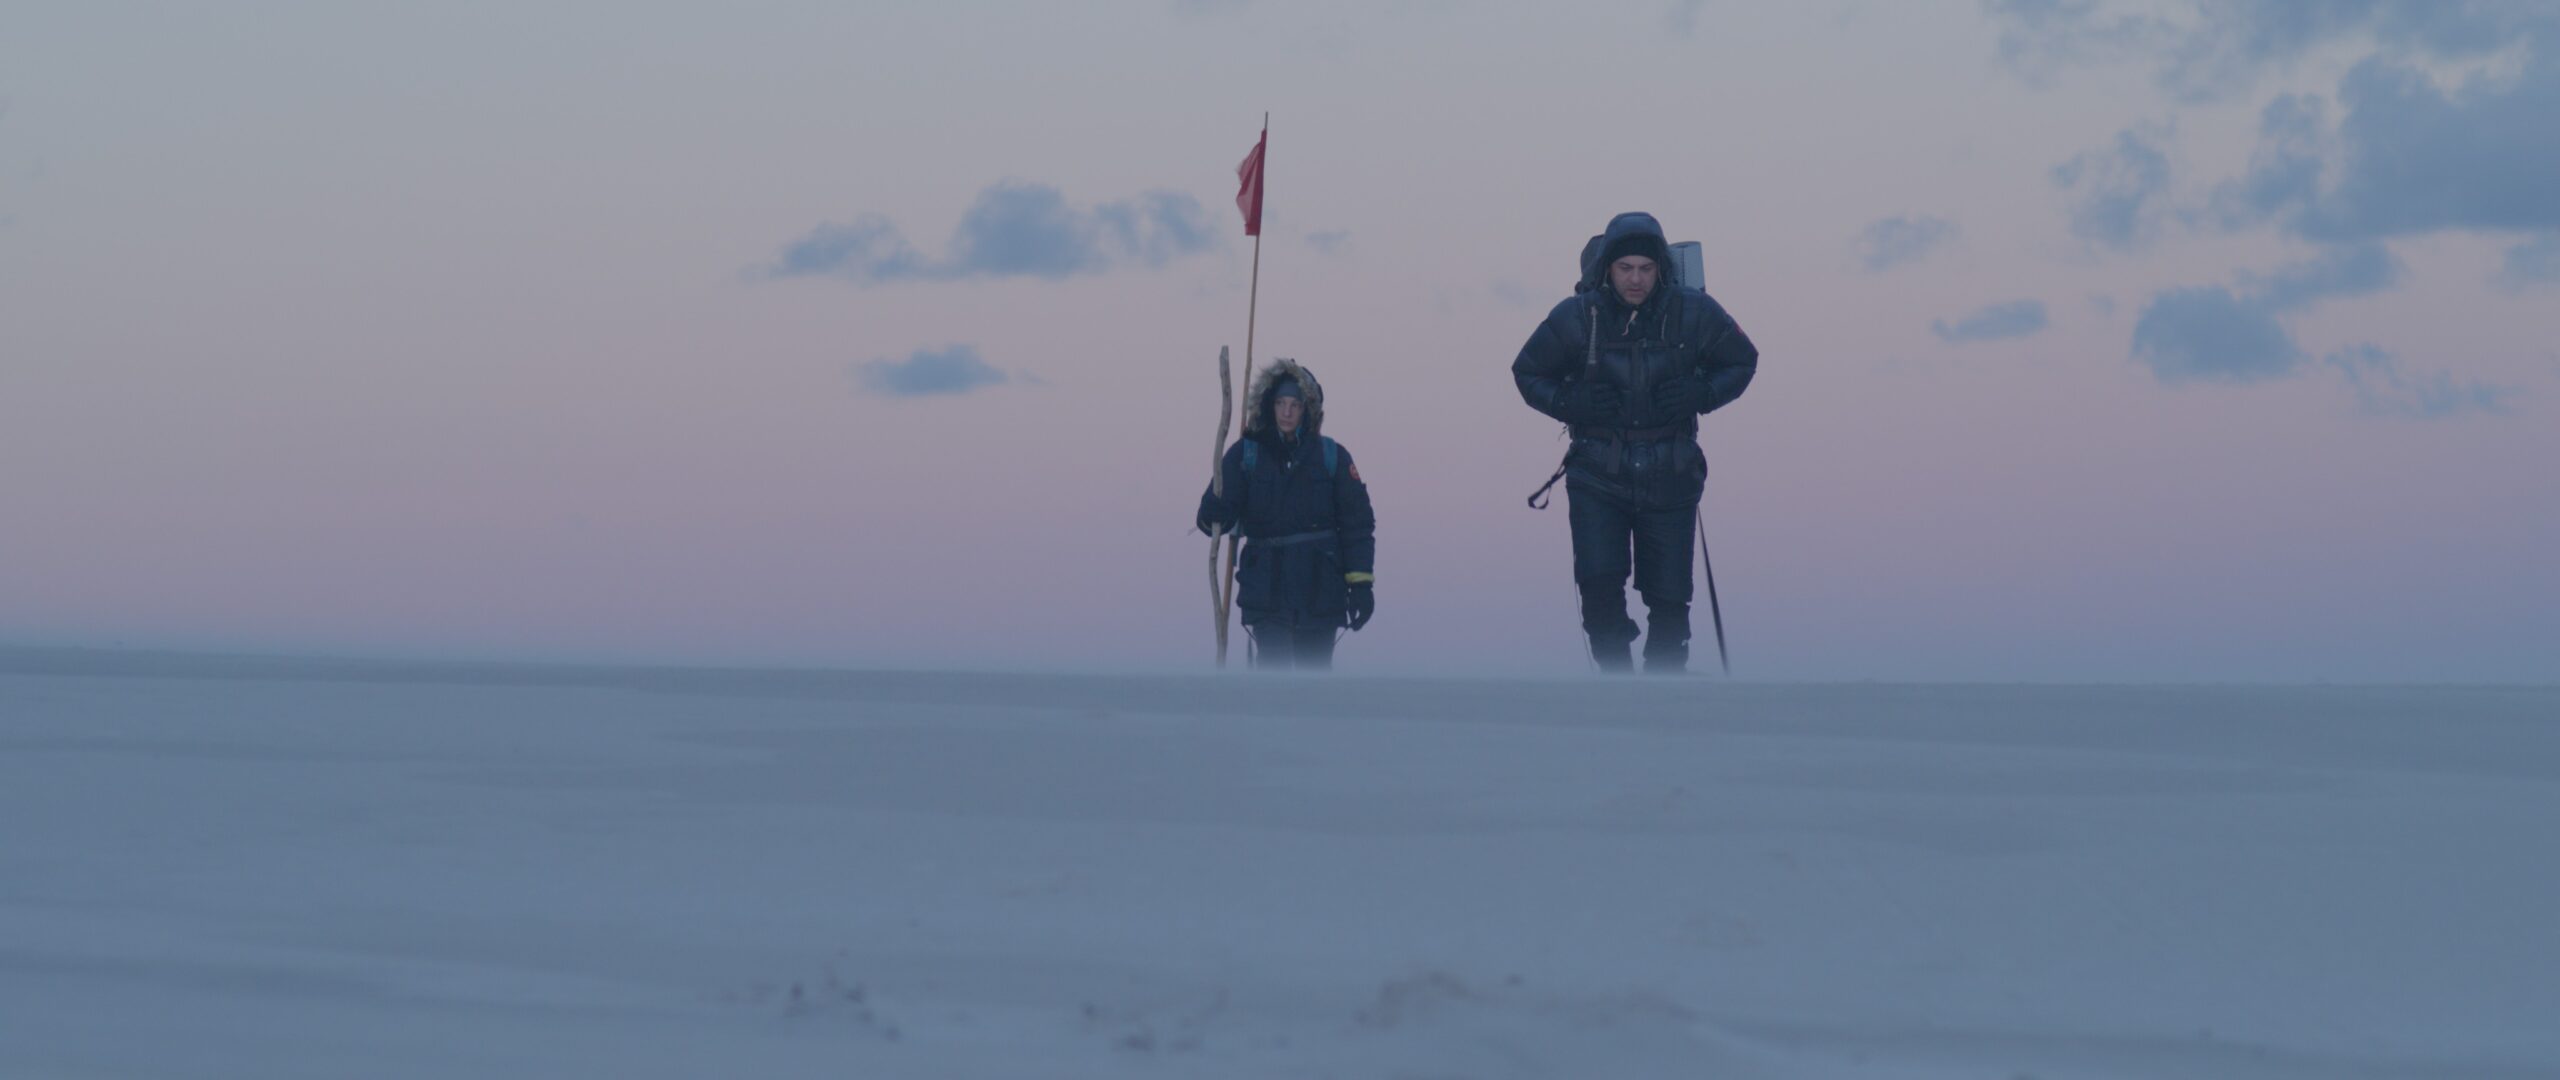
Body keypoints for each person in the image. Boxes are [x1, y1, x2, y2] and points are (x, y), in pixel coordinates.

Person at [1513, 212, 1757, 673]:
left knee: (1669, 602)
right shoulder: (1576, 317)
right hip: (1596, 474)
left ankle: (1662, 697)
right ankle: (1617, 692)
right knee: (1600, 589)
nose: (1636, 278)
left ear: (1661, 268)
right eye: (1626, 268)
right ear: (1607, 269)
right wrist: (1573, 401)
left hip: (1672, 475)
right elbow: (1526, 372)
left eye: (1646, 268)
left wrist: (1701, 394)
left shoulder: (1695, 312)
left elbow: (1743, 361)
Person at [1197, 359, 1377, 670]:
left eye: (1295, 404)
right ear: (1268, 405)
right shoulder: (1246, 454)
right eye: (1280, 403)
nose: (1287, 412)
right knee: (1273, 683)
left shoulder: (1332, 456)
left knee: (1314, 684)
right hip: (1267, 591)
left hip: (1320, 590)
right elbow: (1212, 516)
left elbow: (1357, 526)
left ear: (1308, 409)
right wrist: (1214, 511)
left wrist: (1360, 585)